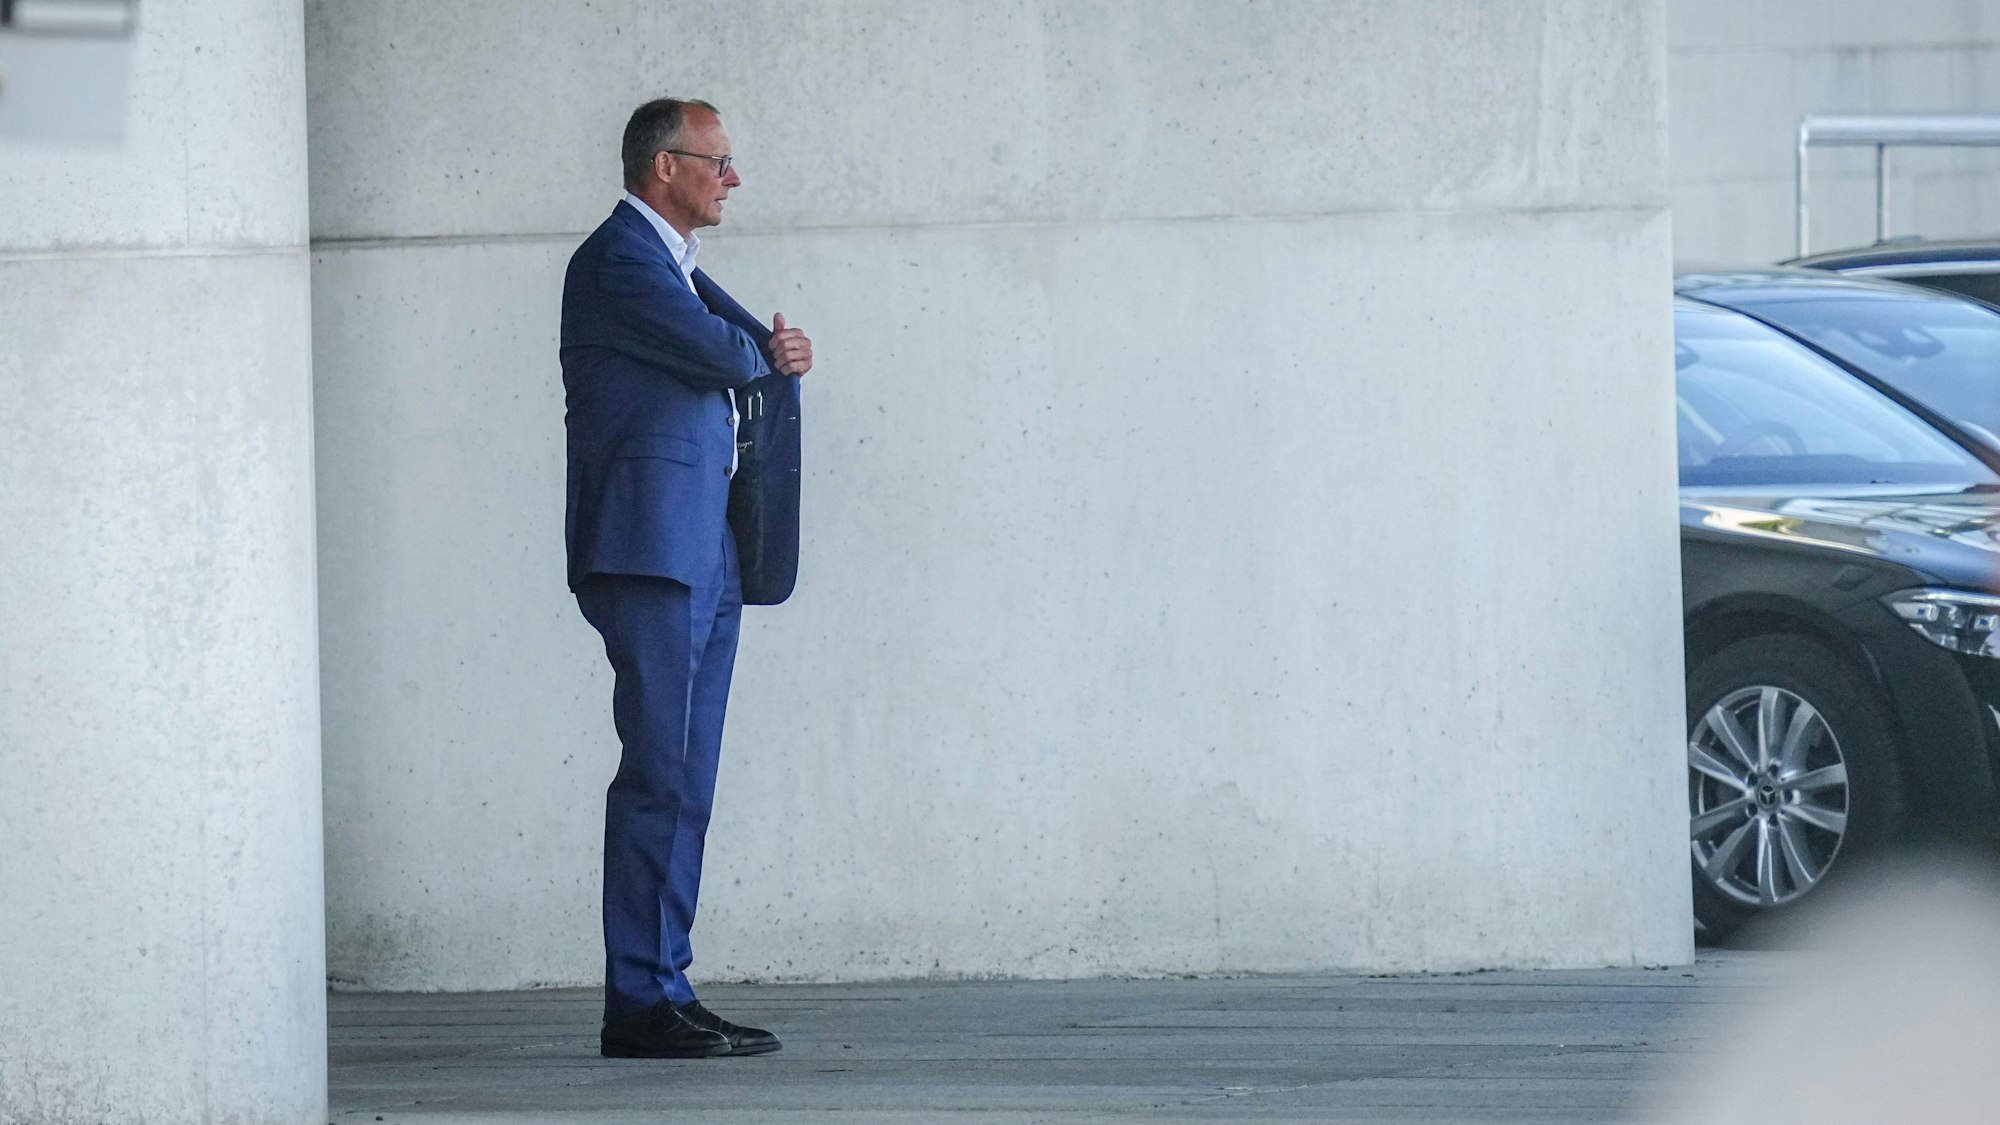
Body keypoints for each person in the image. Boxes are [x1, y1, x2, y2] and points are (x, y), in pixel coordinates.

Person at [560, 97, 812, 1059]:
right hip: (649, 547)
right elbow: (725, 354)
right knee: (661, 772)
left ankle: (668, 983)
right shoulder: (621, 259)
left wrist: (767, 355)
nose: (732, 178)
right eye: (720, 161)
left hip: (702, 549)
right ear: (665, 166)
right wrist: (765, 353)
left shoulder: (677, 268)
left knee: (689, 778)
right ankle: (638, 999)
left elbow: (745, 358)